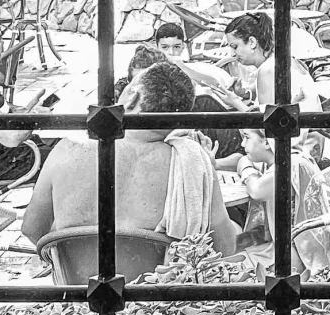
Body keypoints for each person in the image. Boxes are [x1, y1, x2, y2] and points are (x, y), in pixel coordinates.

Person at [20, 60, 237, 256]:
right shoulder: (192, 162)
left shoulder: (66, 151)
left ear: (133, 97)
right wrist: (209, 170)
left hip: (79, 292)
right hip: (158, 295)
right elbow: (224, 247)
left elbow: (32, 228)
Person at [0, 12, 53, 183]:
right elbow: (11, 137)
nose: (3, 45)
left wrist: (24, 111)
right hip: (8, 163)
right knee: (79, 159)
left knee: (73, 149)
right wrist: (35, 116)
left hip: (15, 156)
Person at [232, 125, 330, 274]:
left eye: (247, 137)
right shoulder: (287, 157)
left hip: (297, 258)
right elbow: (241, 161)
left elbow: (256, 190)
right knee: (232, 246)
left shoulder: (289, 163)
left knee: (224, 264)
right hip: (290, 248)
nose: (242, 144)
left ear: (267, 142)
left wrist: (247, 169)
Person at [225, 9, 323, 114]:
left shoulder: (267, 70)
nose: (232, 54)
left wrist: (234, 101)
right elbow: (274, 97)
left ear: (252, 42)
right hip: (308, 124)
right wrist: (244, 93)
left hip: (296, 127)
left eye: (234, 47)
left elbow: (267, 124)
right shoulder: (282, 60)